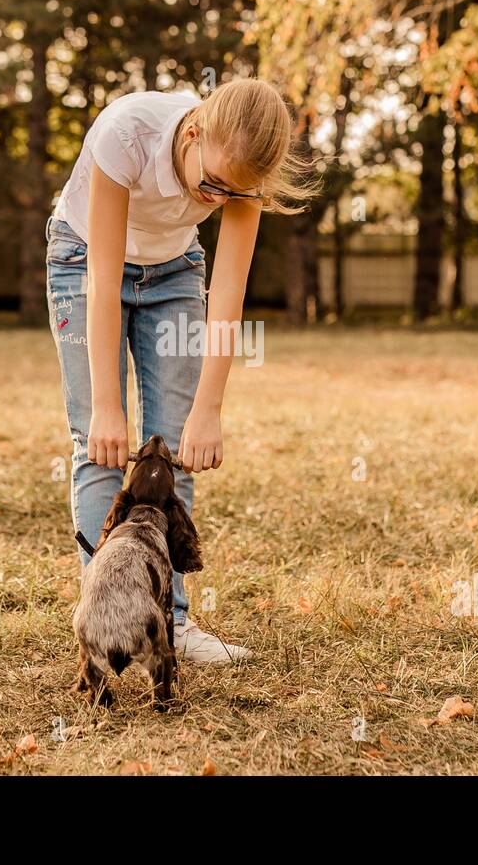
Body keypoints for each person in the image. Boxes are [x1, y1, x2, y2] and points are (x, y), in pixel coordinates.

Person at [46, 77, 316, 662]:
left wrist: (209, 409)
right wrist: (109, 406)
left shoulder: (241, 180)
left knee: (174, 449)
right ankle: (106, 617)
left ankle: (172, 624)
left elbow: (228, 296)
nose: (218, 199)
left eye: (235, 194)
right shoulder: (128, 133)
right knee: (102, 442)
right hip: (85, 259)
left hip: (173, 271)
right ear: (192, 132)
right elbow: (102, 275)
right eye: (211, 184)